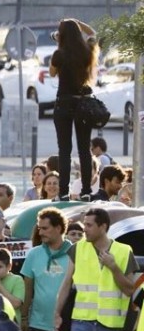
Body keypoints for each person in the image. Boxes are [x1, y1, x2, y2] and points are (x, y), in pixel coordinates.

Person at [49, 18, 99, 199]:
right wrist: (78, 23)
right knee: (84, 149)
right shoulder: (87, 51)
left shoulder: (59, 54)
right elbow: (93, 34)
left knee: (65, 150)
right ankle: (86, 191)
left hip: (63, 103)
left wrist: (59, 44)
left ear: (61, 35)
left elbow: (52, 73)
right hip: (83, 104)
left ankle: (63, 191)